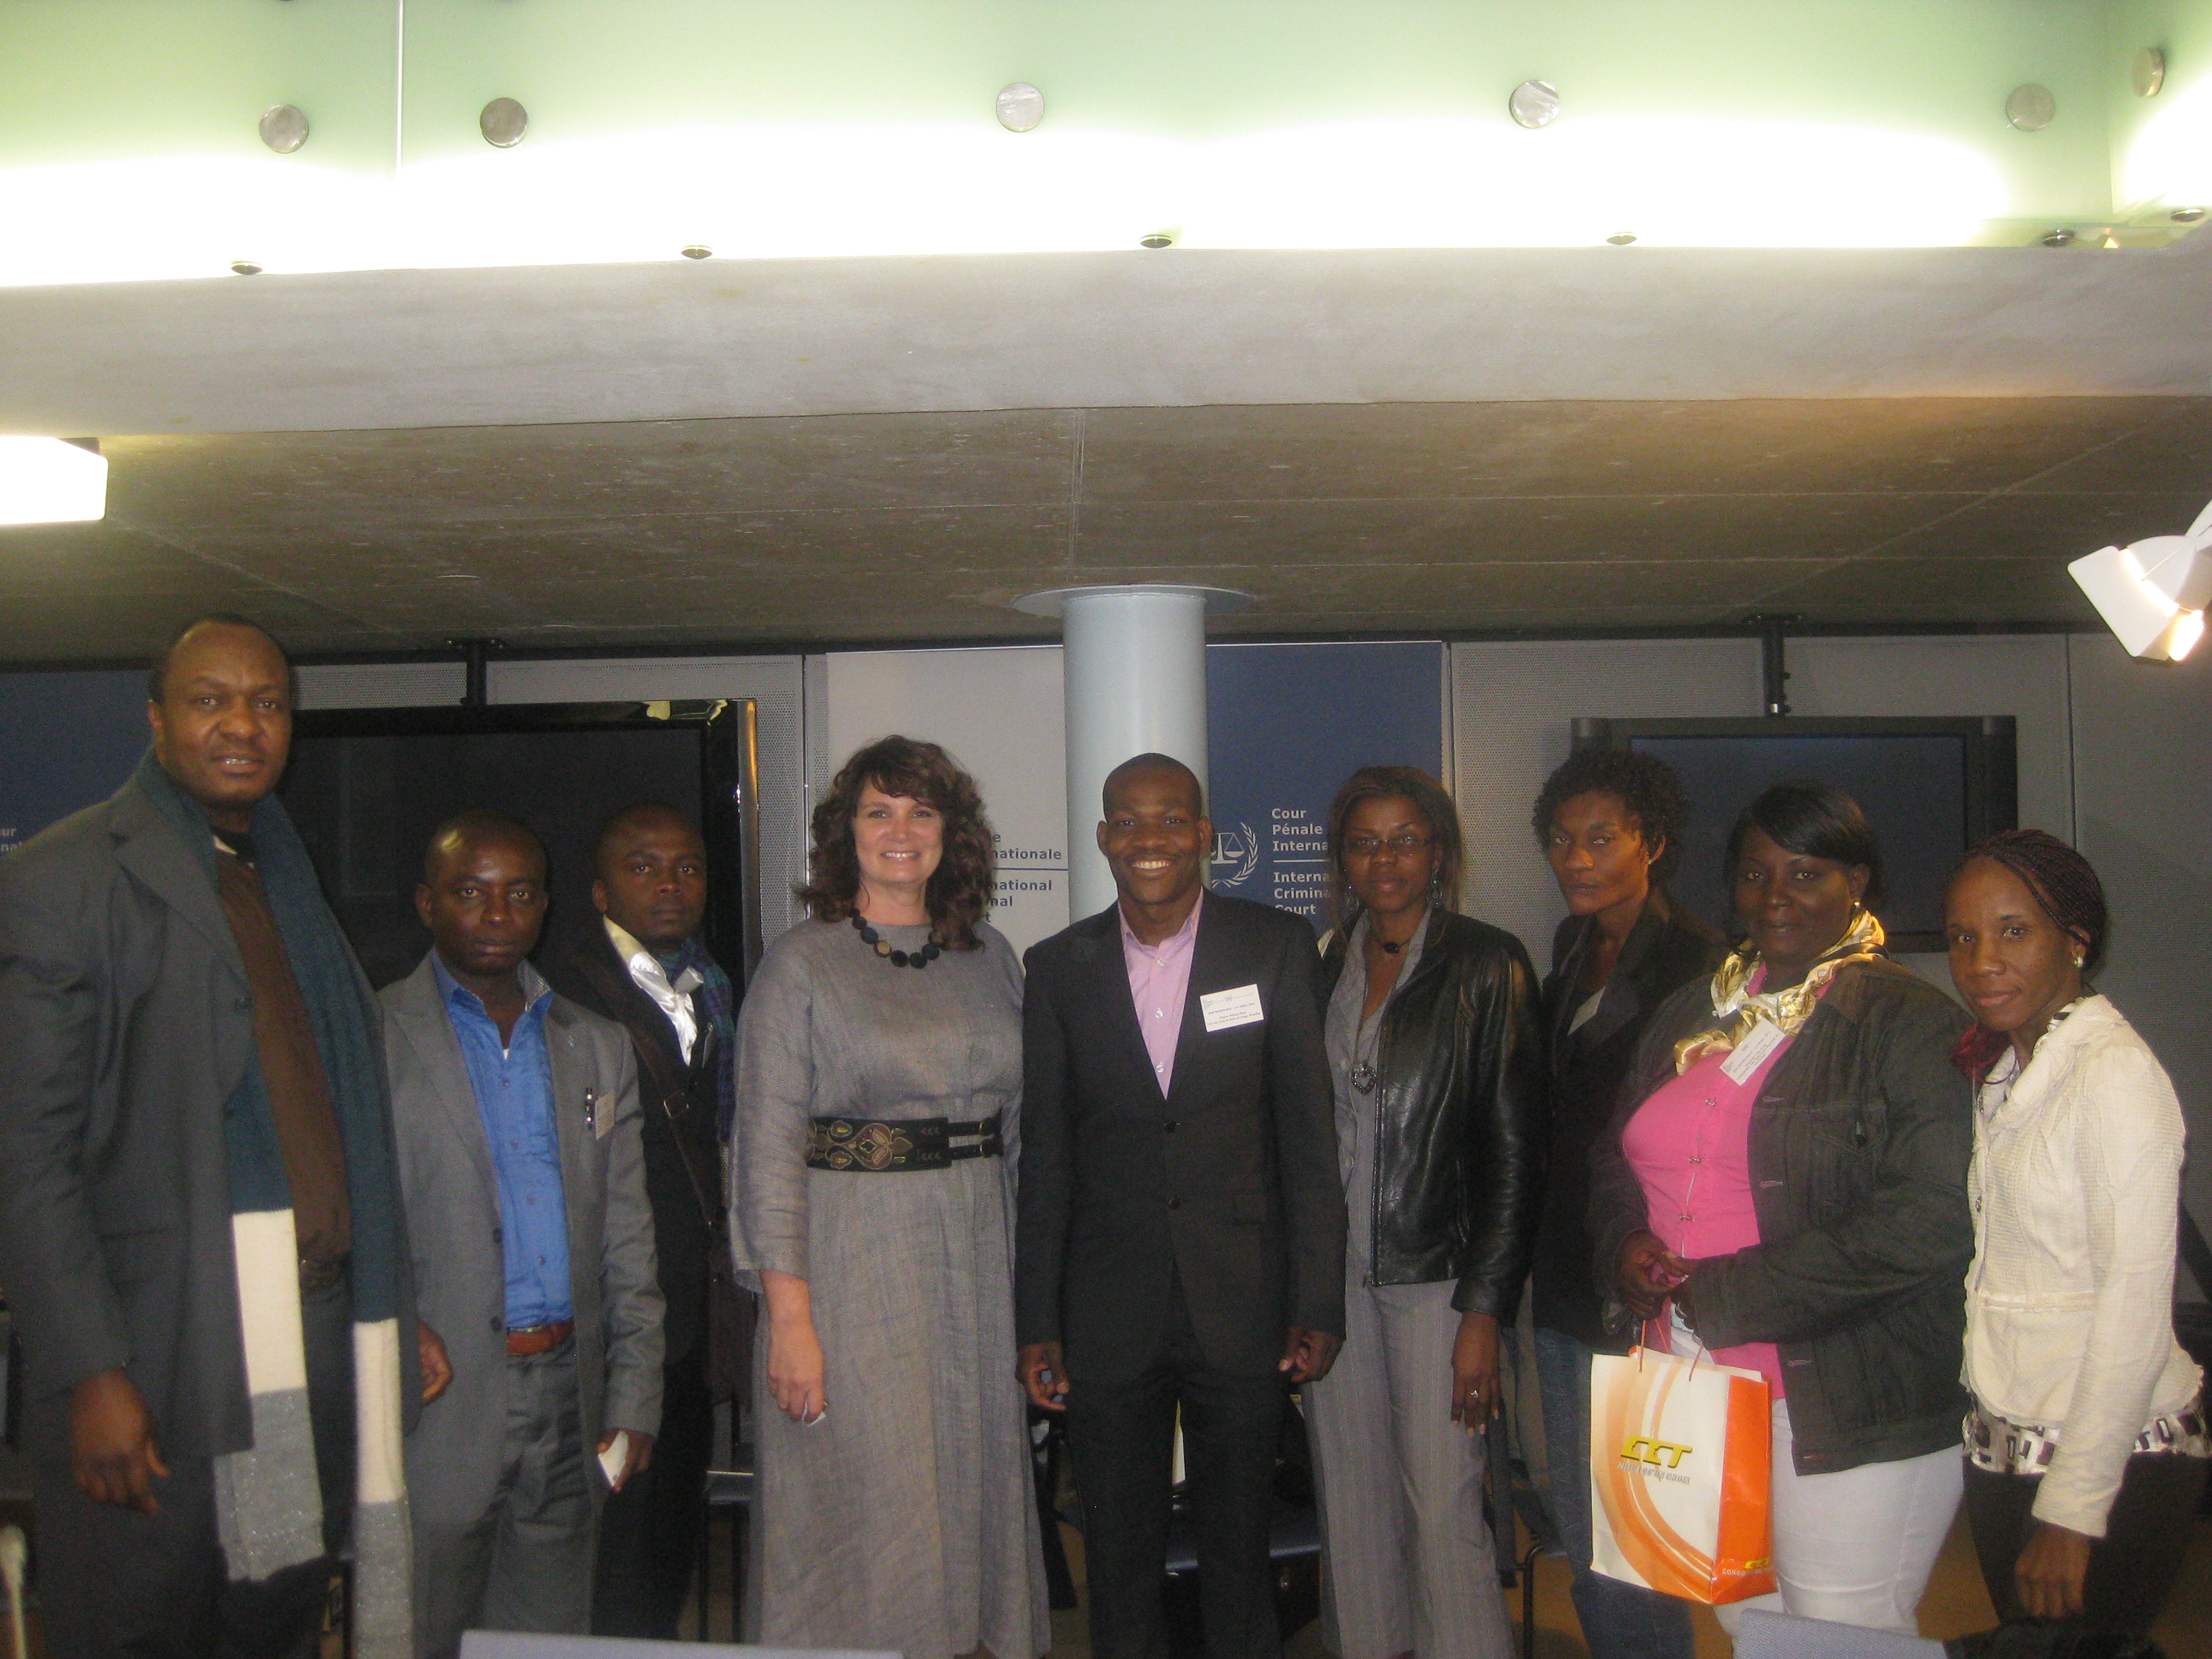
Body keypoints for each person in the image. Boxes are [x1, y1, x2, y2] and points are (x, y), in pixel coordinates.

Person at [0, 614, 429, 1659]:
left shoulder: (288, 885)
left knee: (274, 1627)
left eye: (269, 702)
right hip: (157, 1359)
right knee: (146, 1628)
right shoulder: (65, 878)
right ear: (156, 721)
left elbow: (334, 1121)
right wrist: (90, 1372)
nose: (243, 723)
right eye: (210, 700)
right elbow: (25, 1153)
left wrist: (392, 1305)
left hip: (315, 1335)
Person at [1588, 779, 1974, 1635]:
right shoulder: (1697, 1009)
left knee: (1839, 1625)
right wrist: (1625, 1245)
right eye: (1757, 874)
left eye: (1805, 874)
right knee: (1747, 1617)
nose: (1776, 896)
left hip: (1849, 1389)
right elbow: (1617, 1153)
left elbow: (1934, 1217)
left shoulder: (1908, 1022)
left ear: (1857, 885)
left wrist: (1728, 1292)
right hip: (1699, 1375)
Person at [1017, 752, 1347, 1659]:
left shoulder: (1275, 947)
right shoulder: (1056, 967)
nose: (1150, 838)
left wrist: (1316, 1300)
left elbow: (1307, 1142)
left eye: (1171, 819)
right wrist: (1037, 1319)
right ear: (1102, 839)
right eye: (1128, 820)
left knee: (1238, 1551)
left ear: (1204, 835)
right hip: (1106, 1307)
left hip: (1242, 1301)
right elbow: (1046, 1156)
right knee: (1118, 1562)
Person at [731, 735, 1048, 1659]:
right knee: (869, 1498)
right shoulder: (800, 965)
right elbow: (764, 1148)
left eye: (921, 812)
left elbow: (1023, 1132)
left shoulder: (992, 958)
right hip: (852, 1266)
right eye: (879, 812)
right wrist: (789, 1322)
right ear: (846, 834)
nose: (900, 832)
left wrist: (1033, 1296)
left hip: (978, 1258)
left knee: (974, 1483)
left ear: (954, 833)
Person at [382, 809, 664, 1659]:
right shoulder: (367, 1037)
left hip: (570, 1398)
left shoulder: (599, 1046)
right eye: (471, 893)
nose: (498, 914)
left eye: (520, 894)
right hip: (437, 1400)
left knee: (542, 1641)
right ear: (428, 904)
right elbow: (346, 1221)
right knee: (417, 1635)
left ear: (545, 907)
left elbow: (628, 1233)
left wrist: (636, 1393)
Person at [1302, 765, 1543, 1659]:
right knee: (1353, 1508)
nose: (1386, 859)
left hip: (1436, 1281)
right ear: (1343, 859)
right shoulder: (1324, 961)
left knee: (1442, 1503)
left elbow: (1516, 1159)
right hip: (1335, 1281)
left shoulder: (1488, 963)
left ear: (1438, 851)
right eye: (1365, 842)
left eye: (1406, 839)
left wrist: (1483, 1313)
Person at [1943, 830, 2207, 1638]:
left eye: (2014, 931)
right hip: (2009, 1439)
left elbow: (2135, 1305)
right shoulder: (2010, 1070)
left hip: (2112, 1457)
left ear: (2078, 942)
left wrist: (2074, 1511)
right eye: (1963, 936)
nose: (1982, 959)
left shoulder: (2114, 1076)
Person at [1526, 750, 1723, 1659]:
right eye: (1562, 841)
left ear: (1656, 842)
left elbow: (1702, 1134)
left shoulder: (1700, 964)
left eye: (1601, 839)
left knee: (1638, 1522)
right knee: (1586, 1518)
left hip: (1639, 1276)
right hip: (1566, 1269)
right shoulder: (1572, 948)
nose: (1577, 859)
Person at [543, 802, 745, 1639]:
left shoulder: (716, 983)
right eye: (644, 866)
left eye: (688, 866)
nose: (670, 884)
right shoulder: (561, 991)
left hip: (690, 1312)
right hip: (610, 1309)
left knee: (670, 1531)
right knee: (613, 1540)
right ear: (598, 889)